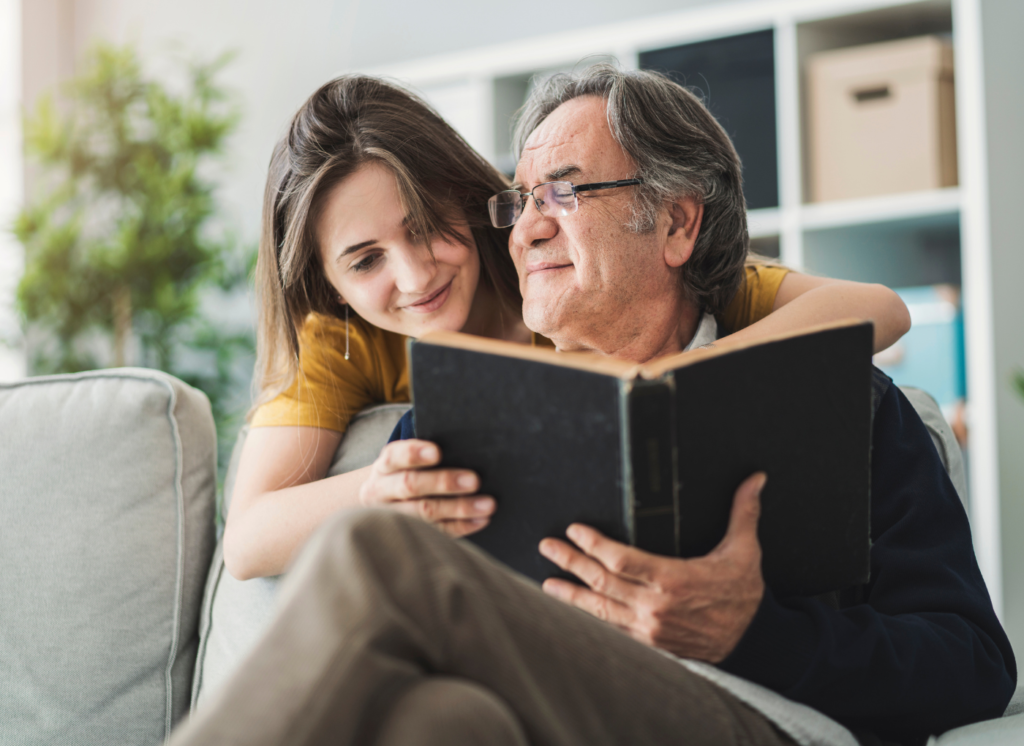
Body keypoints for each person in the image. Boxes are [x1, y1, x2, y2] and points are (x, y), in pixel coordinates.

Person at [171, 66, 1014, 746]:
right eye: (520, 200)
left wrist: (748, 631)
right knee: (440, 722)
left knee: (377, 553)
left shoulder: (847, 403)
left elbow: (974, 665)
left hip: (761, 716)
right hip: (556, 712)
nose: (526, 229)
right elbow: (255, 538)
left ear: (677, 224)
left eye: (564, 194)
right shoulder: (450, 421)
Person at [225, 74, 911, 581]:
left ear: (467, 203)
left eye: (428, 228)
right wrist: (378, 492)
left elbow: (881, 308)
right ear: (330, 286)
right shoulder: (344, 339)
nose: (414, 277)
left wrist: (674, 386)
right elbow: (248, 539)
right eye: (366, 259)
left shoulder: (569, 262)